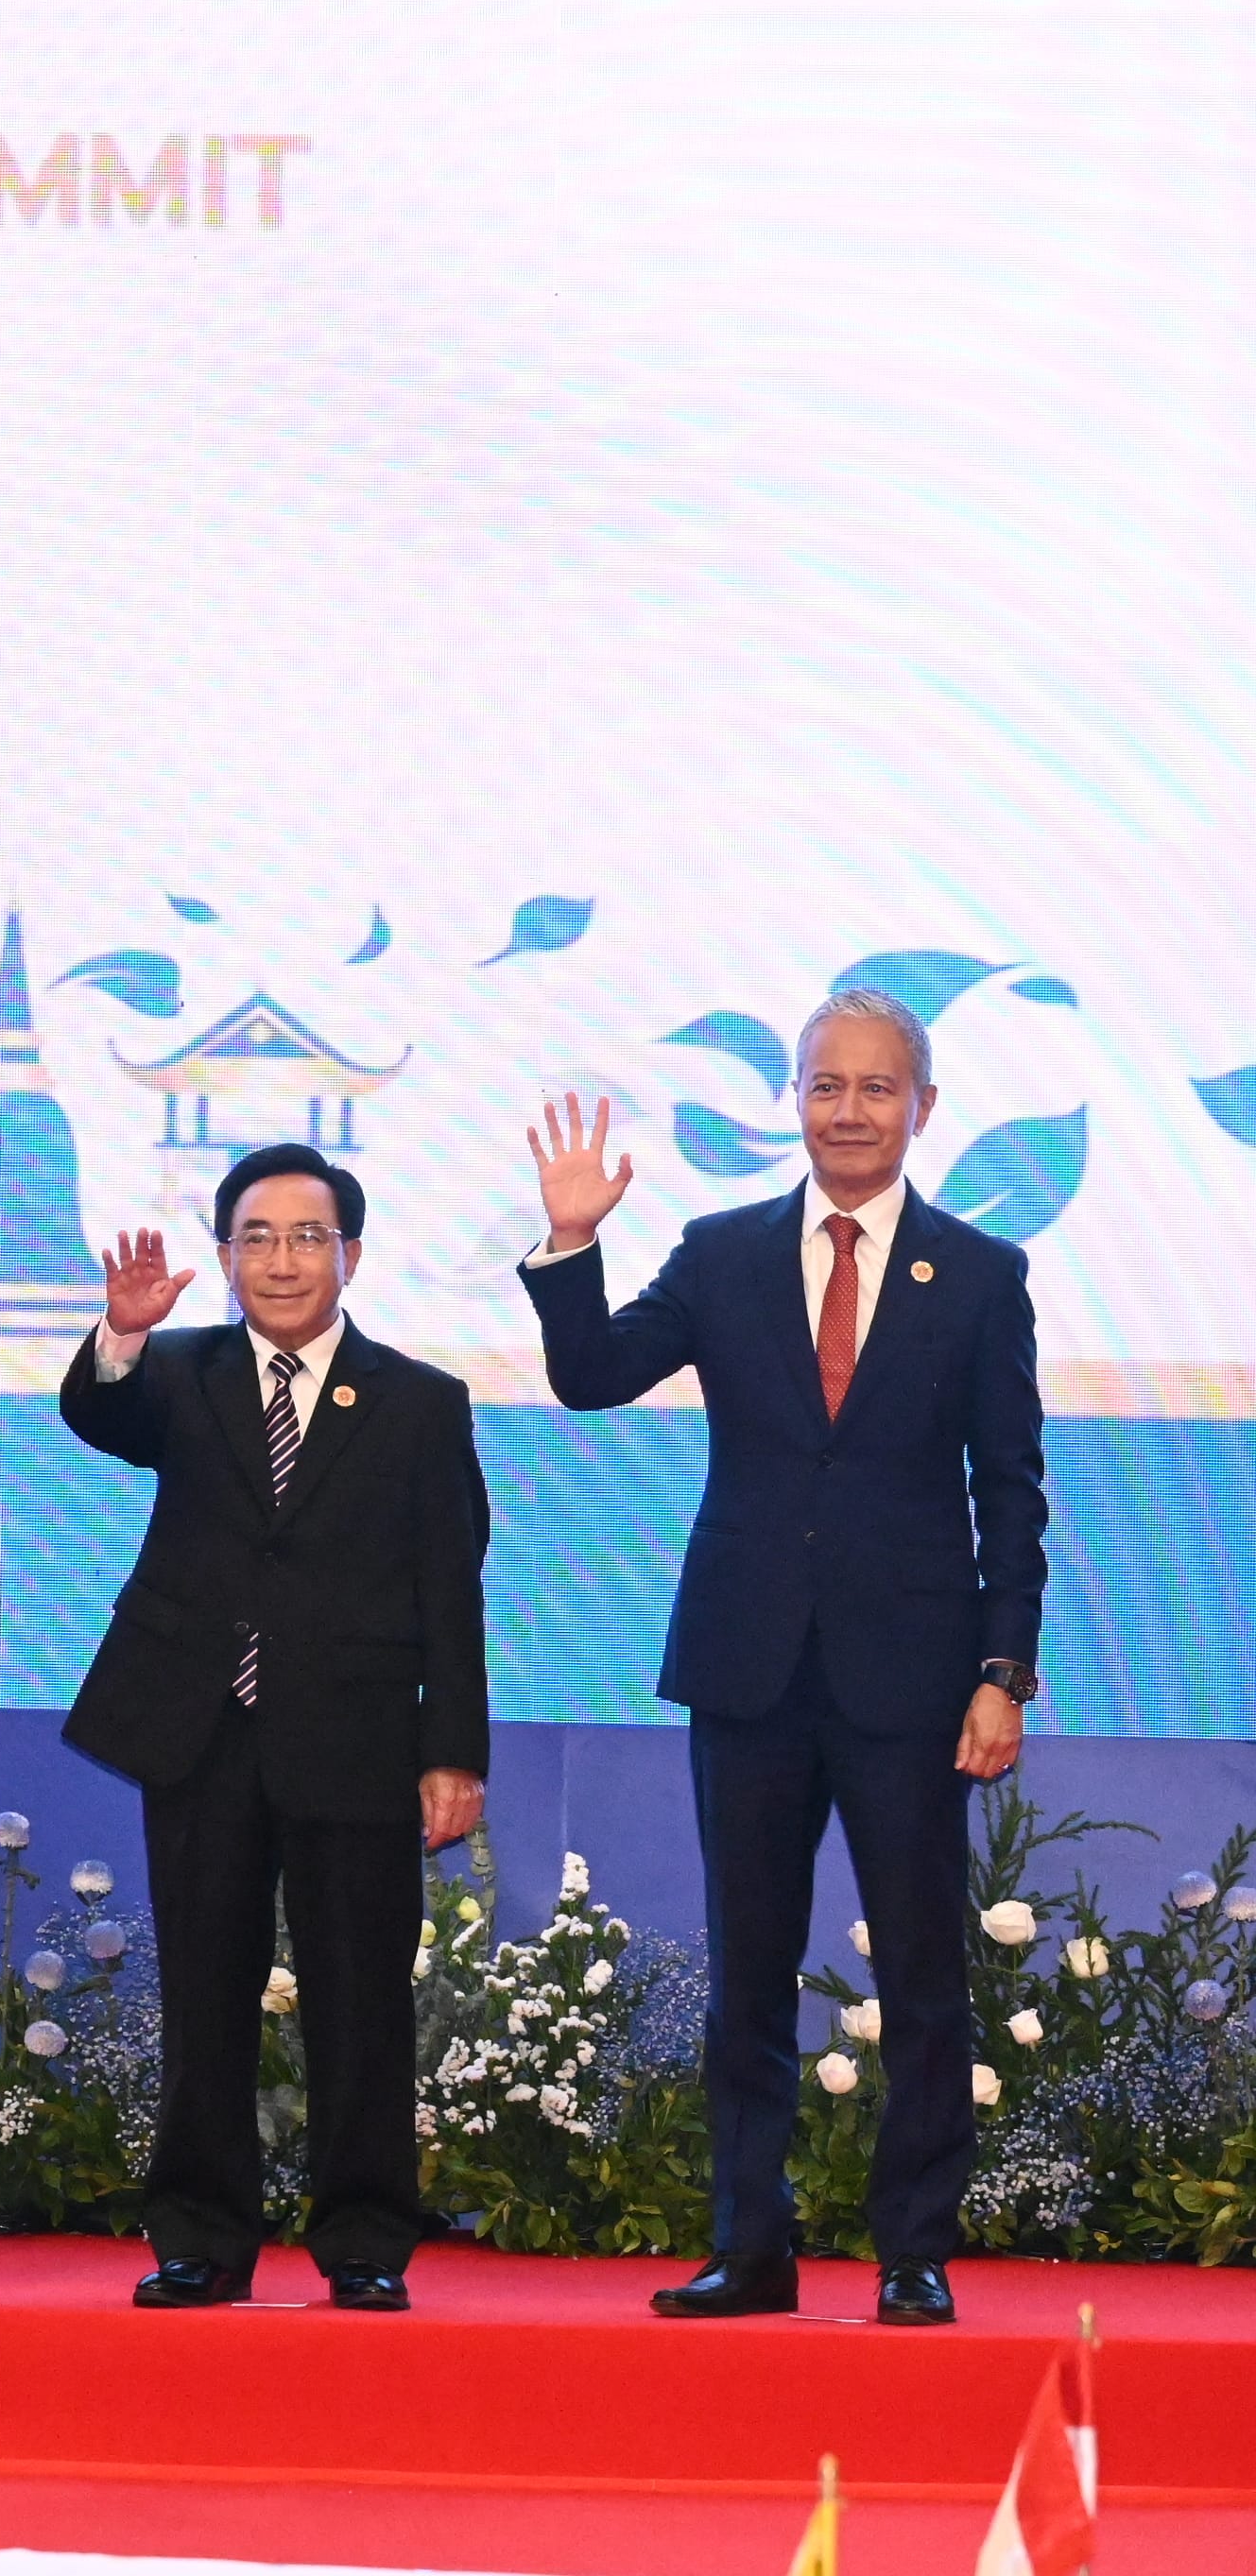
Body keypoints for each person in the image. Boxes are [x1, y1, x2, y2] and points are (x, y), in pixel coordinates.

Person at [521, 995, 1045, 2328]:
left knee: (924, 1972)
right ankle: (749, 2249)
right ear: (794, 1102)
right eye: (827, 1086)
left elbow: (1012, 1492)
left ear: (922, 1108)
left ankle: (913, 2253)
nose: (851, 1111)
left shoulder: (981, 1276)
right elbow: (592, 1380)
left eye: (879, 1089)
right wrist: (573, 1243)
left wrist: (1003, 1669)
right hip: (749, 1669)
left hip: (915, 1680)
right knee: (746, 1968)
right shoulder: (721, 1253)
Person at [57, 1144, 490, 2312]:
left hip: (353, 1736)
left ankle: (361, 2243)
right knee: (205, 1992)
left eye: (307, 1237)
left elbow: (454, 1587)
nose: (282, 1259)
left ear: (351, 1253)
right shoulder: (181, 1372)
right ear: (223, 1255)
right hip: (202, 1730)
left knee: (362, 2000)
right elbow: (97, 1415)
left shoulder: (418, 1401)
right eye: (256, 1237)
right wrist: (123, 1335)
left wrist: (453, 1751)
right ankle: (199, 2236)